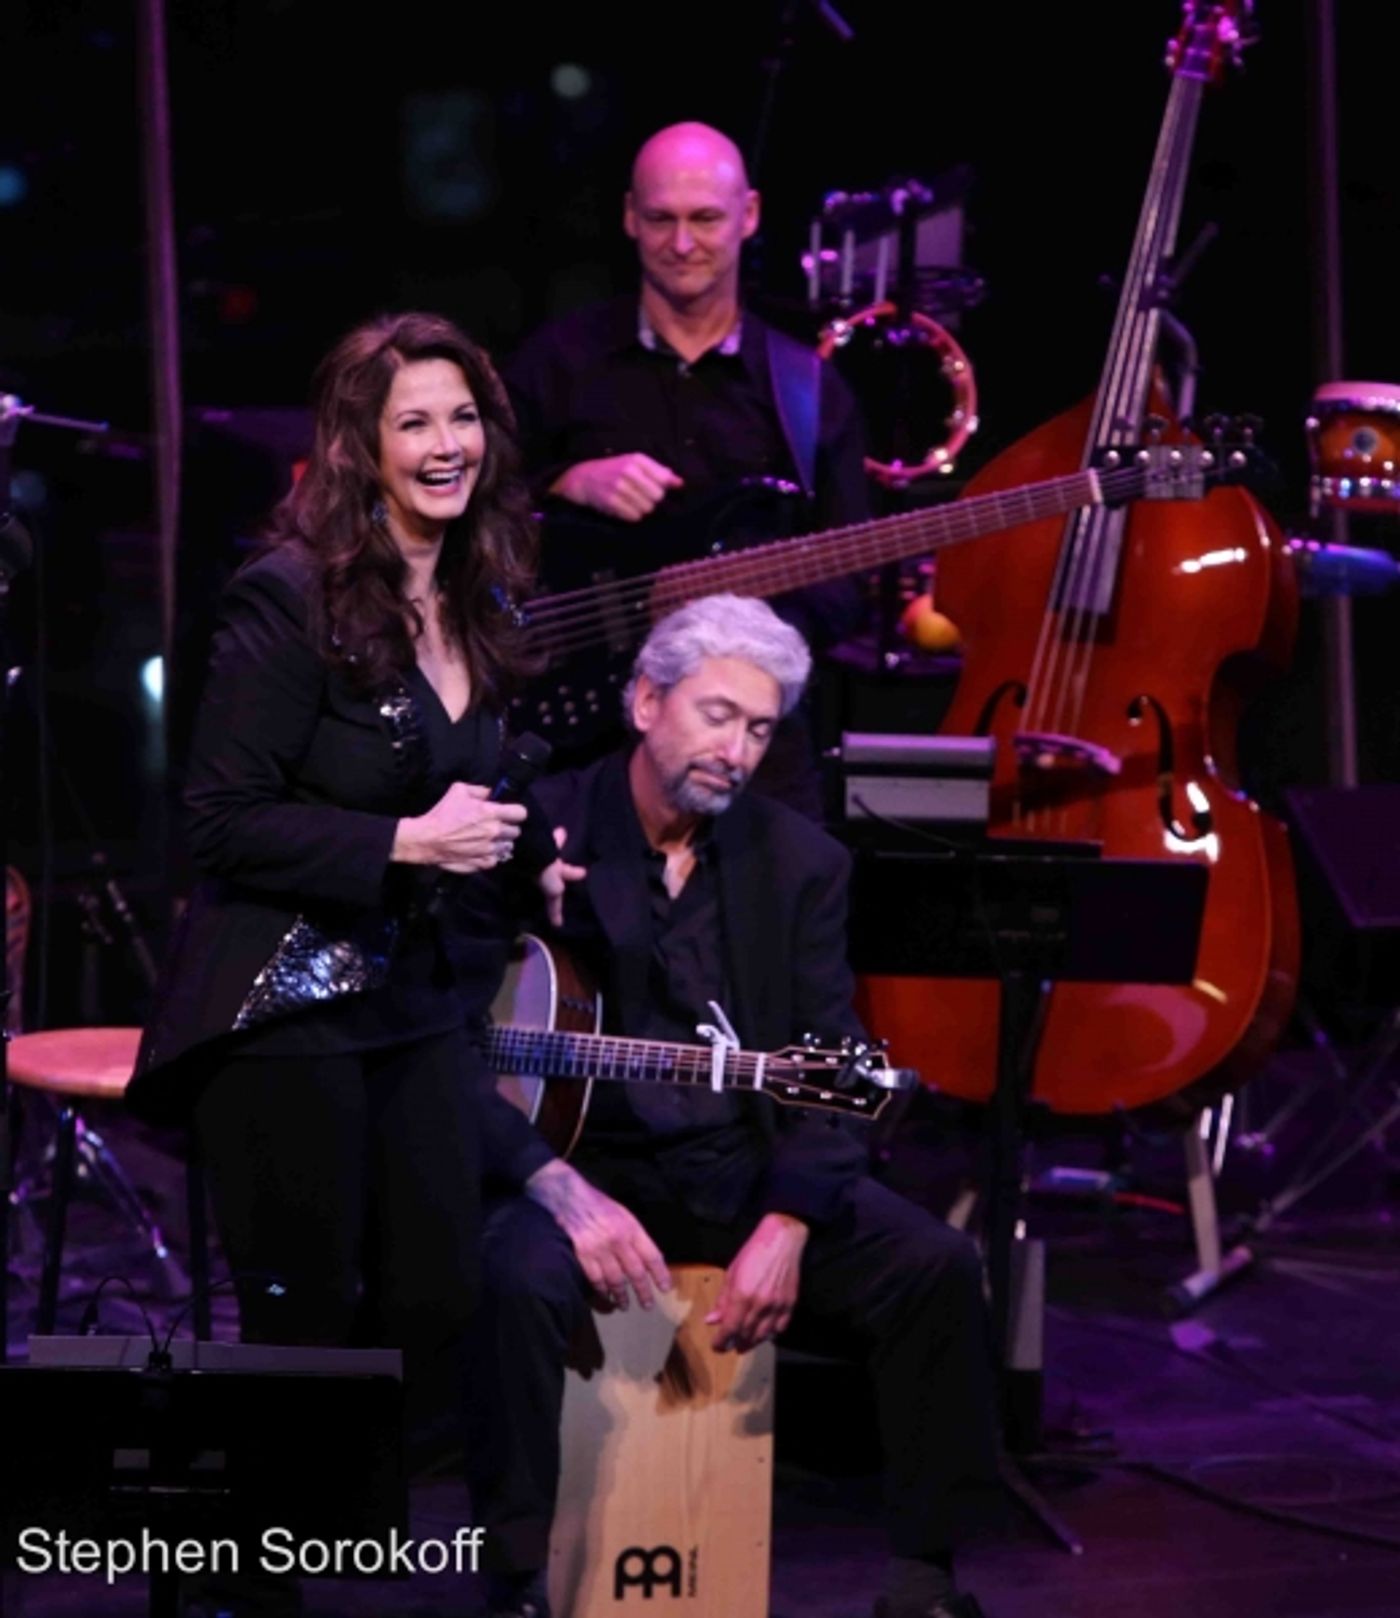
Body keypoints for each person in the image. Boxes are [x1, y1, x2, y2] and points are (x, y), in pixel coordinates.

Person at [129, 311, 581, 1610]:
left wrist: (525, 844)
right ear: (360, 445)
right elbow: (218, 816)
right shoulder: (290, 595)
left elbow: (469, 781)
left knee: (438, 1287)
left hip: (418, 1001)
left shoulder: (486, 591)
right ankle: (247, 1579)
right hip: (287, 1004)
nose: (446, 445)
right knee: (306, 1319)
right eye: (414, 422)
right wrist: (401, 841)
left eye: (462, 417)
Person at [467, 594, 996, 1618]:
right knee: (511, 1279)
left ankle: (925, 1576)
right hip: (575, 1167)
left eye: (758, 729)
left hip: (730, 1165)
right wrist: (559, 1188)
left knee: (934, 1265)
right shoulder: (538, 830)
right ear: (644, 700)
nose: (737, 749)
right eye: (716, 715)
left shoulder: (800, 863)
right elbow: (444, 1042)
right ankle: (515, 1577)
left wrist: (789, 1221)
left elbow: (833, 1064)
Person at [503, 120, 871, 815]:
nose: (681, 244)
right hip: (580, 734)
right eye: (660, 219)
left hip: (755, 749)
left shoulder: (809, 389)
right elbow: (464, 516)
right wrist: (562, 482)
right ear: (628, 218)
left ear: (750, 215)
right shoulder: (555, 363)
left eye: (704, 219)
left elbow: (847, 585)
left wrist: (745, 621)